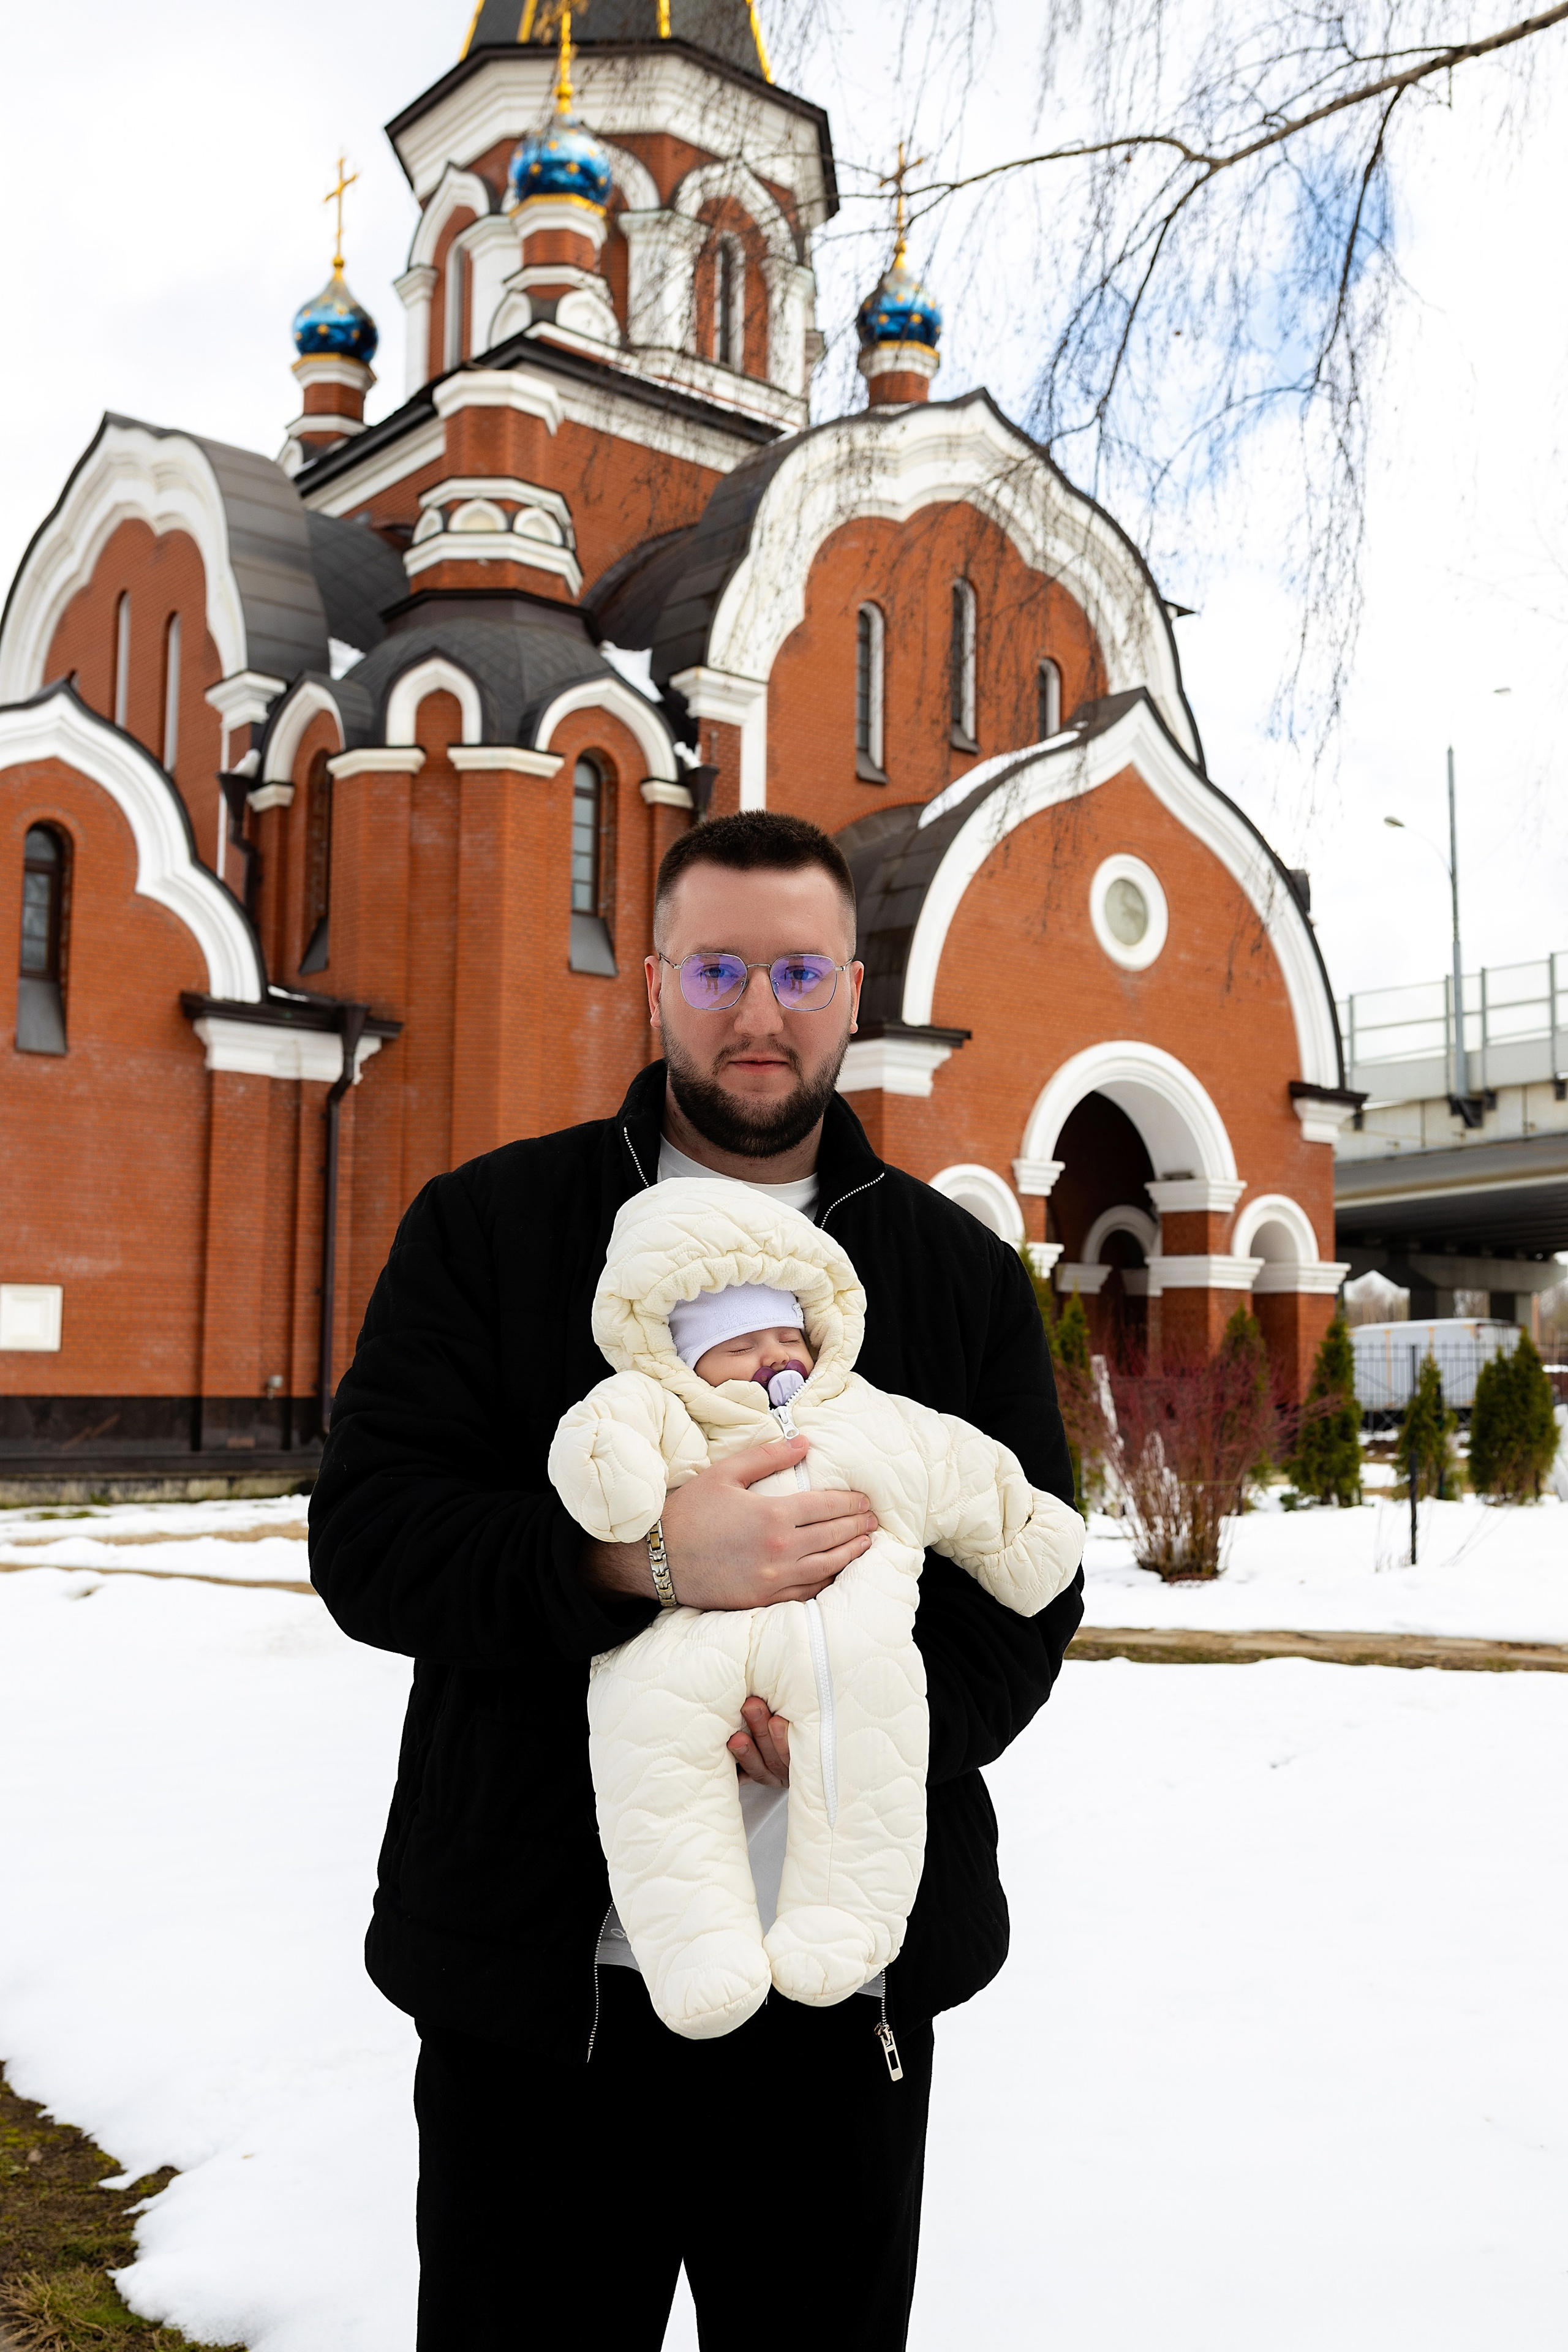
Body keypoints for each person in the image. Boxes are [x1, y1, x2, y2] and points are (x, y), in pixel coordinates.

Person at [310, 810, 1084, 2351]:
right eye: (718, 967)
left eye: (798, 971)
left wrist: (860, 1733)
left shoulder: (949, 1275)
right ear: (654, 980)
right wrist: (645, 1559)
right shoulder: (494, 1229)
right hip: (540, 2003)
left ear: (852, 992)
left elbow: (1029, 1584)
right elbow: (375, 1540)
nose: (757, 1011)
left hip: (837, 1994)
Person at [549, 1177, 1087, 2040]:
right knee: (648, 1753)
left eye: (783, 1334)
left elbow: (959, 1466)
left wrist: (1026, 1534)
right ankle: (697, 1951)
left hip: (849, 1646)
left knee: (868, 1746)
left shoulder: (870, 1418)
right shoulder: (667, 1409)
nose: (770, 1357)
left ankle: (844, 1926)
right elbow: (602, 1440)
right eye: (735, 1346)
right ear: (681, 1359)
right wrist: (621, 1496)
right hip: (686, 1649)